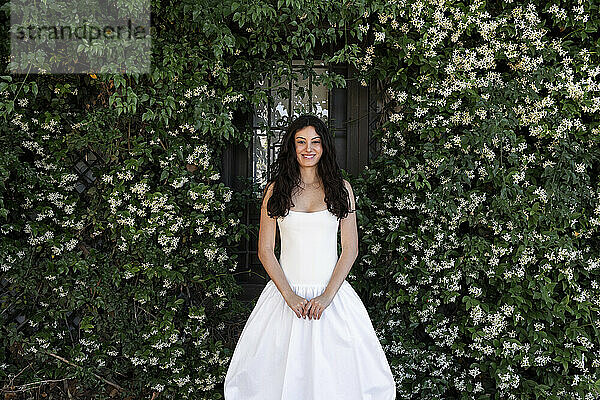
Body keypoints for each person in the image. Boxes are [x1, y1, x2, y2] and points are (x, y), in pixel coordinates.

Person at [224, 114, 396, 399]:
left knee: (338, 380)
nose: (308, 148)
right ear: (292, 147)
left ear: (324, 147)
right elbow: (265, 250)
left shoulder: (341, 189)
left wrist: (327, 296)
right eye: (301, 142)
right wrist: (289, 296)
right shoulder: (275, 191)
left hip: (332, 299)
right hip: (285, 299)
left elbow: (350, 249)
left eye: (315, 142)